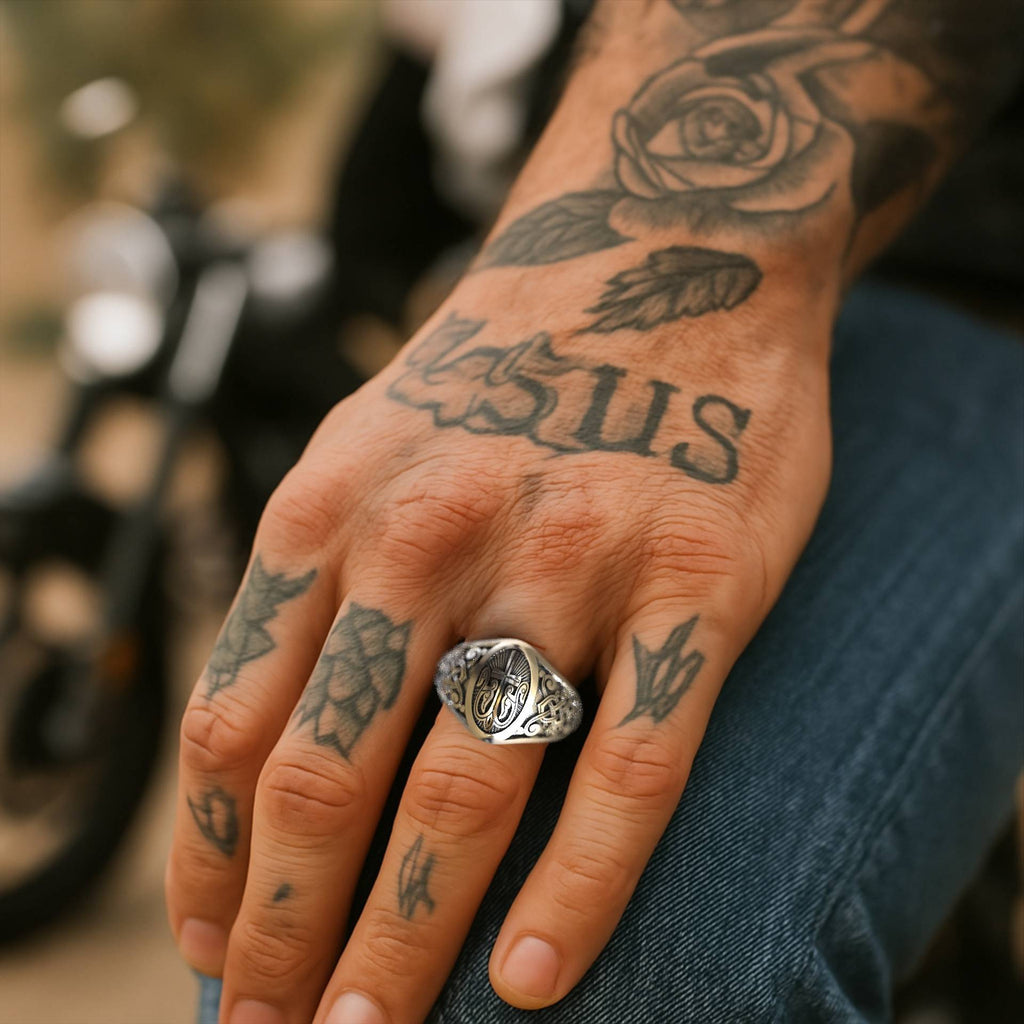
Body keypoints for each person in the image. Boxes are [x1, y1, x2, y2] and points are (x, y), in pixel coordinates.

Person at [165, 1, 1024, 1021]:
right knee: (317, 849)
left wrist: (637, 257)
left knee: (567, 983)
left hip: (951, 263)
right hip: (500, 238)